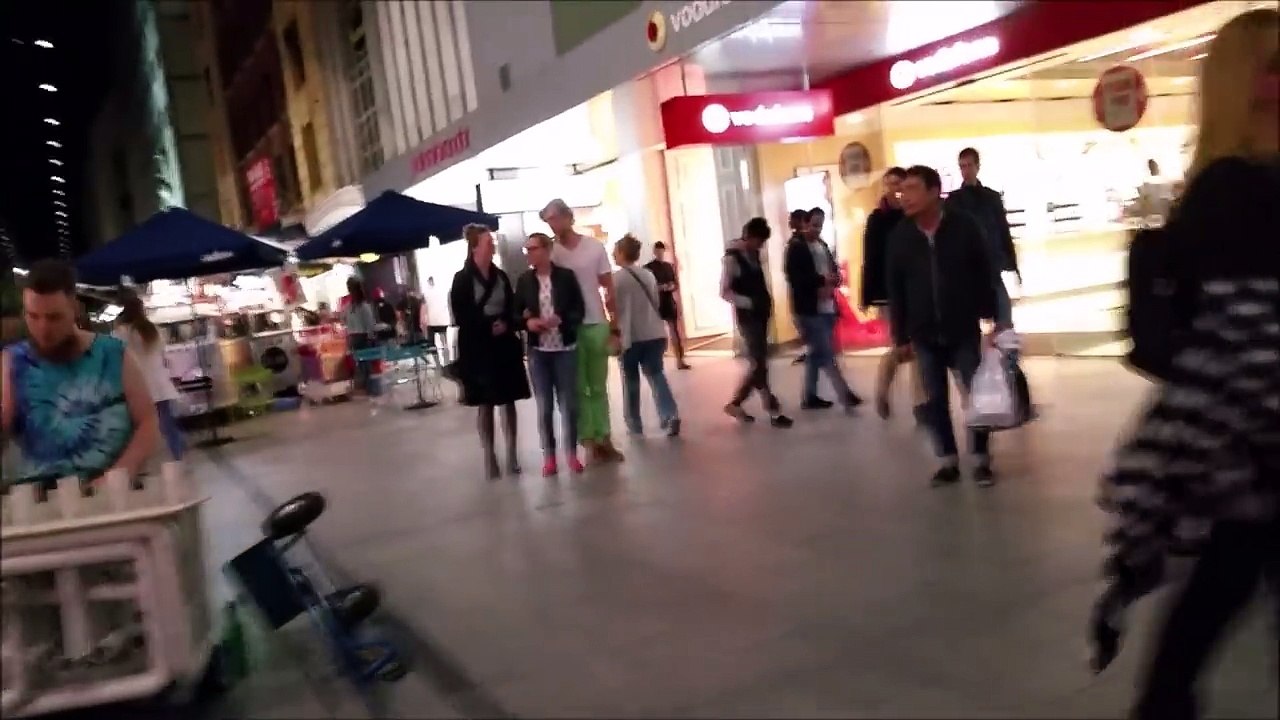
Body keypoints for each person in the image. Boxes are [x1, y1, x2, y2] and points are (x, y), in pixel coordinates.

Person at [1090, 10, 1279, 719]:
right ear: (1248, 85)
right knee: (1199, 623)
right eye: (1274, 65)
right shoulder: (1233, 189)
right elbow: (1237, 345)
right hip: (1251, 453)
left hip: (1248, 458)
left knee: (1204, 614)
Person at [886, 165, 1003, 488]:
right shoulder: (902, 236)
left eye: (911, 189)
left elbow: (984, 271)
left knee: (975, 395)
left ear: (934, 192)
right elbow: (896, 289)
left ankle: (980, 459)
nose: (904, 196)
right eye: (902, 190)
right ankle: (947, 460)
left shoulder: (964, 227)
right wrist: (900, 335)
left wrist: (993, 315)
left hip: (961, 327)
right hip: (923, 332)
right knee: (935, 399)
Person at [1, 260, 158, 485]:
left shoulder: (112, 354)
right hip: (41, 498)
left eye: (54, 317)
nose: (43, 329)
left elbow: (147, 421)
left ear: (74, 309)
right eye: (33, 316)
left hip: (113, 491)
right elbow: (4, 426)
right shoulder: (14, 361)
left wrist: (118, 475)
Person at [543, 198, 624, 464]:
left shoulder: (593, 247)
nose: (553, 224)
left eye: (556, 218)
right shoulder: (552, 254)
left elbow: (608, 287)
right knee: (577, 387)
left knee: (598, 385)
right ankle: (588, 440)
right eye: (549, 220)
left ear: (569, 218)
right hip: (569, 328)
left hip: (596, 322)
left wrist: (614, 326)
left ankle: (604, 437)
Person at [450, 224, 531, 479]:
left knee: (508, 401)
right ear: (475, 246)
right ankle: (489, 455)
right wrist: (487, 326)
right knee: (485, 403)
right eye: (488, 242)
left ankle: (512, 453)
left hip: (503, 344)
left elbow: (511, 306)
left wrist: (507, 322)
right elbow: (461, 314)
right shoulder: (462, 279)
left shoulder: (501, 276)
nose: (492, 245)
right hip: (478, 347)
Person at [514, 232, 586, 477]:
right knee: (544, 407)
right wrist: (529, 323)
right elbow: (515, 315)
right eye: (527, 250)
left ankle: (572, 454)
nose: (529, 254)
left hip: (565, 349)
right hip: (539, 352)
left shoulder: (566, 277)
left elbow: (580, 309)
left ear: (546, 250)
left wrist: (562, 319)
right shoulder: (525, 281)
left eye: (533, 249)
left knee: (570, 405)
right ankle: (550, 458)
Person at [861, 167, 927, 423]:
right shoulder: (877, 219)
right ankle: (882, 391)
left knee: (919, 347)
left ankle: (921, 404)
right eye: (888, 184)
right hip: (887, 293)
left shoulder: (912, 216)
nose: (894, 190)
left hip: (914, 290)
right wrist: (868, 294)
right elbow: (870, 257)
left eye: (898, 184)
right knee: (903, 346)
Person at [784, 207, 862, 412]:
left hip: (828, 306)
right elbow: (795, 278)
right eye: (813, 224)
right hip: (809, 309)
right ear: (804, 223)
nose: (816, 229)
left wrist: (835, 279)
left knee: (817, 353)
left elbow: (832, 268)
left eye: (820, 225)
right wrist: (820, 280)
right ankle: (845, 394)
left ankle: (809, 396)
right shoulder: (796, 247)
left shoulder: (821, 244)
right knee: (826, 353)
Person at [722, 218, 793, 429]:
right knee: (759, 363)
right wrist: (749, 302)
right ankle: (771, 409)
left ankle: (737, 404)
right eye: (759, 241)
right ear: (749, 236)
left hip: (761, 314)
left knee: (759, 364)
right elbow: (725, 291)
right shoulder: (731, 259)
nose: (761, 246)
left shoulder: (753, 254)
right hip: (748, 317)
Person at [612, 235, 681, 438]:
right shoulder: (649, 275)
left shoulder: (616, 279)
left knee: (631, 380)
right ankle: (670, 414)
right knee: (657, 375)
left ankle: (634, 423)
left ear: (623, 253)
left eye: (615, 251)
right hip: (654, 332)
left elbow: (613, 308)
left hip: (630, 336)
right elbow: (657, 303)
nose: (613, 254)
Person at [944, 147, 1017, 327]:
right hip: (966, 266)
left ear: (977, 166)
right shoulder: (953, 201)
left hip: (990, 262)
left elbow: (1001, 228)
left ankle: (1005, 349)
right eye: (962, 166)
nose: (966, 170)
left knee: (1003, 314)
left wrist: (1010, 260)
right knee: (969, 318)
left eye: (969, 165)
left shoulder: (991, 198)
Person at [114, 290, 184, 461]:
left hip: (137, 384)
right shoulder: (153, 330)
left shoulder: (121, 333)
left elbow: (117, 356)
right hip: (159, 381)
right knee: (167, 423)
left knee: (135, 426)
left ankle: (137, 461)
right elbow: (162, 353)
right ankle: (178, 454)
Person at [644, 241, 691, 370]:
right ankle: (654, 362)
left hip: (668, 301)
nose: (660, 253)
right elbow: (647, 287)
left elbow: (675, 283)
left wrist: (671, 286)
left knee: (674, 331)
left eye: (662, 251)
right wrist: (661, 287)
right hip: (655, 303)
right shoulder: (648, 268)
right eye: (658, 251)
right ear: (654, 251)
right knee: (655, 334)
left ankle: (680, 360)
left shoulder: (669, 266)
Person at [343, 277, 377, 395]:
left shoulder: (363, 306)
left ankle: (371, 388)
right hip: (354, 337)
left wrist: (370, 337)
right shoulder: (349, 307)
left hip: (363, 337)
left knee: (366, 364)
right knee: (360, 364)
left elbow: (369, 324)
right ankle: (366, 387)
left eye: (351, 287)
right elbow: (346, 322)